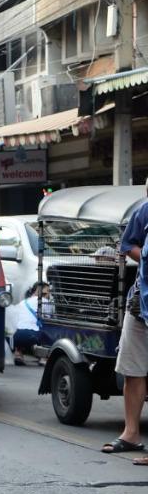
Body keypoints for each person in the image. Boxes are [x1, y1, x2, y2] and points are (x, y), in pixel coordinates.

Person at [107, 194, 148, 459]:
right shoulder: (144, 211)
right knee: (132, 370)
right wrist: (144, 256)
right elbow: (127, 244)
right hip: (140, 302)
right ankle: (131, 433)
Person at [6, 282, 42, 365]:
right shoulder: (44, 301)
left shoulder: (22, 302)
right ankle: (43, 357)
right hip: (32, 336)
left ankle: (18, 353)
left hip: (12, 336)